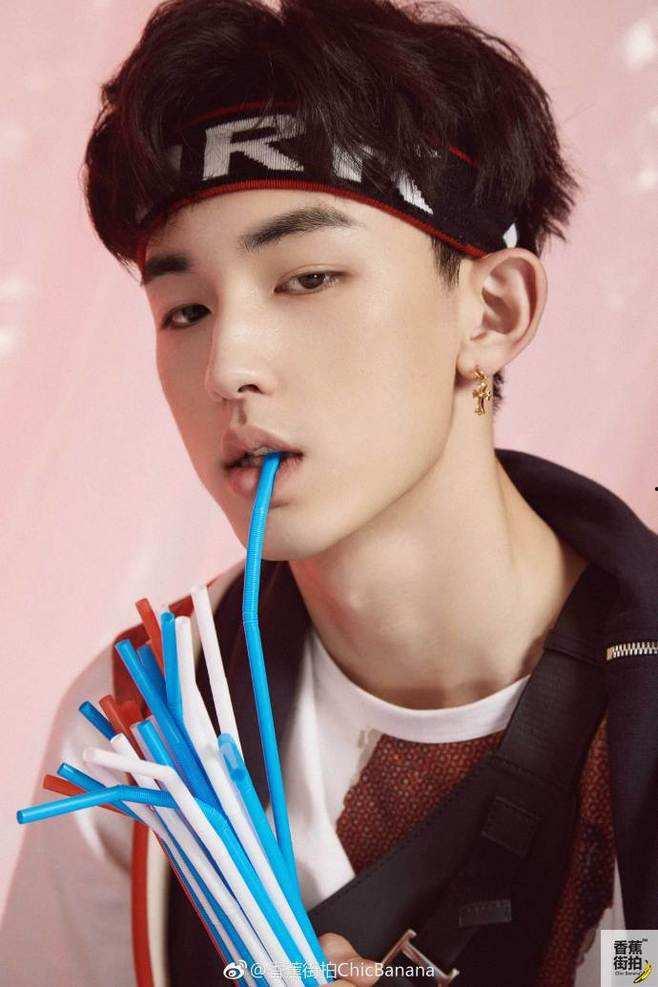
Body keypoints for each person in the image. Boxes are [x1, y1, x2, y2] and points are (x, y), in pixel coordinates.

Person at [2, 1, 656, 985]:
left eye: (307, 278)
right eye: (184, 309)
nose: (227, 365)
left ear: (491, 311)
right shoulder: (136, 729)